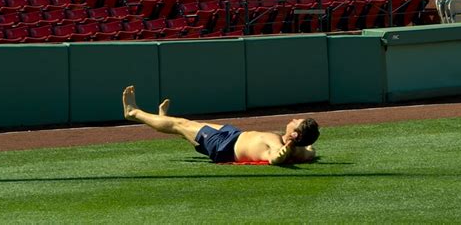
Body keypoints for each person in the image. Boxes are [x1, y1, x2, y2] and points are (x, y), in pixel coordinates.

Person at [122, 85, 320, 165]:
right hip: (233, 134)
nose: (293, 119)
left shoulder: (278, 145)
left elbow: (275, 158)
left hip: (223, 146)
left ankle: (134, 112)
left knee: (180, 124)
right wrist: (305, 143)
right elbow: (310, 151)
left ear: (294, 134)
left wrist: (282, 154)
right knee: (189, 125)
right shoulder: (303, 152)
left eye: (296, 122)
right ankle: (163, 120)